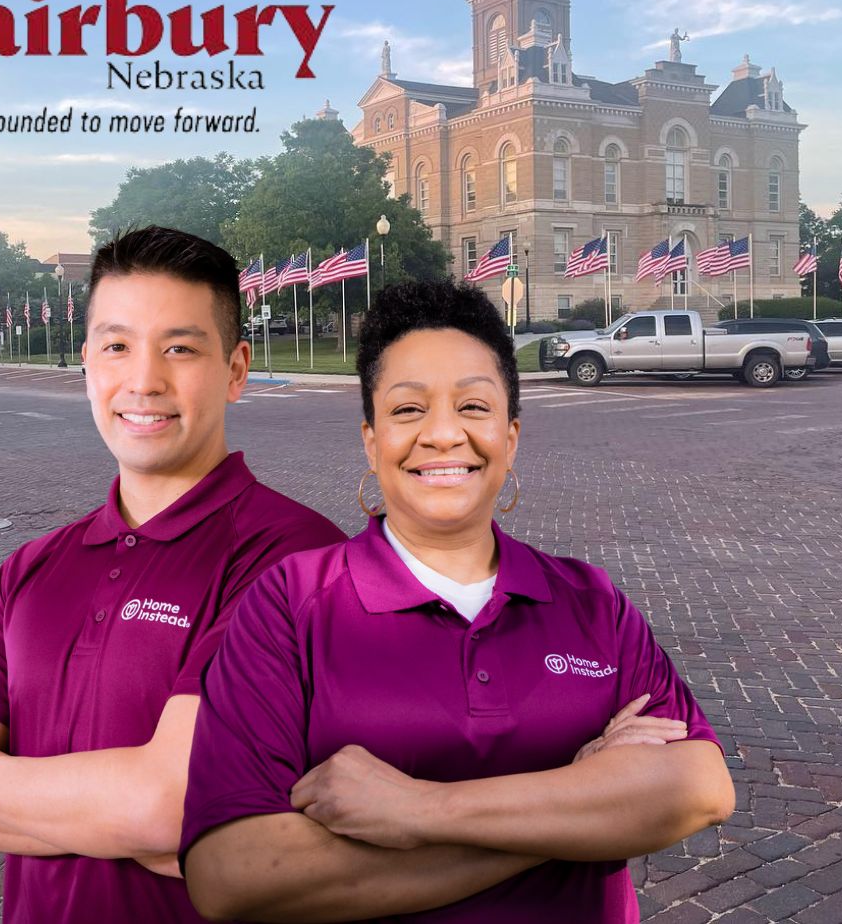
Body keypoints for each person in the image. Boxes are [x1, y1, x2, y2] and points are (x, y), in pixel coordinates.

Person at [181, 278, 734, 922]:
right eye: (409, 410)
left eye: (473, 407)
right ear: (371, 440)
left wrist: (419, 810)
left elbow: (699, 788)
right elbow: (234, 874)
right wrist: (582, 806)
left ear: (511, 436)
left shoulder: (589, 600)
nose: (444, 435)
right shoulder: (289, 604)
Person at [0, 226, 345, 922]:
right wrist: (127, 820)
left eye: (180, 347)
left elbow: (168, 804)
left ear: (236, 370)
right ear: (87, 364)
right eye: (116, 346)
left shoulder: (297, 560)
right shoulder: (30, 570)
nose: (143, 380)